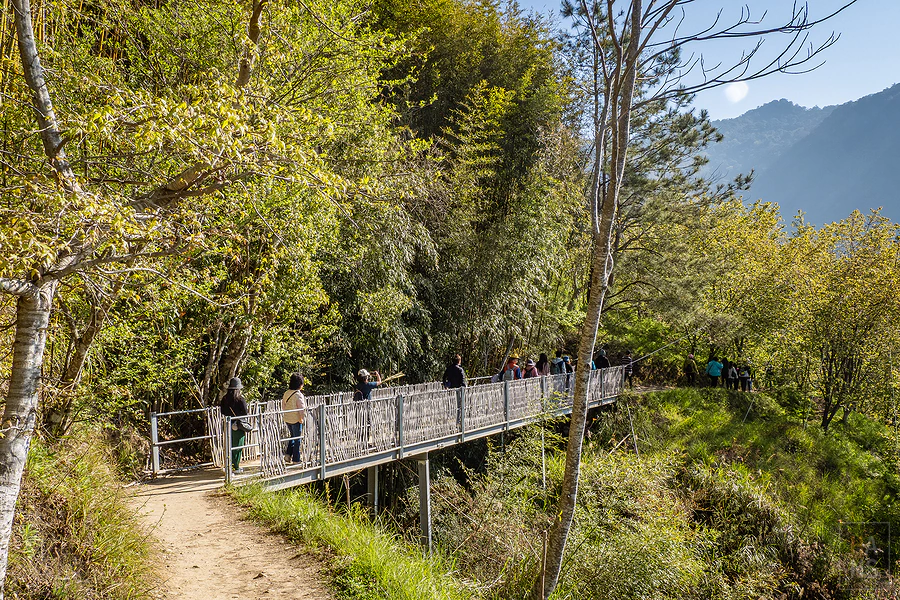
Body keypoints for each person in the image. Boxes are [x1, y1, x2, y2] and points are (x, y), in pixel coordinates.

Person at [221, 377, 249, 473]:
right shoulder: (240, 399)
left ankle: (228, 466)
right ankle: (235, 467)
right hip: (238, 425)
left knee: (229, 445)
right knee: (238, 446)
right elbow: (245, 412)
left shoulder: (224, 399)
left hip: (228, 424)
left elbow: (222, 411)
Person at [282, 373, 307, 464]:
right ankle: (296, 459)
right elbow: (301, 409)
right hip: (296, 419)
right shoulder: (298, 395)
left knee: (293, 436)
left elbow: (283, 406)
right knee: (297, 439)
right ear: (300, 384)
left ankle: (288, 455)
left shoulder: (286, 393)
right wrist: (302, 419)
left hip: (287, 419)